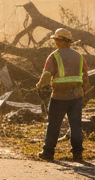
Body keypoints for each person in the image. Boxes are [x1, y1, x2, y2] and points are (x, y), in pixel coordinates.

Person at [37, 28, 91, 162]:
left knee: (53, 125)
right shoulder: (79, 56)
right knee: (76, 125)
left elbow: (46, 75)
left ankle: (48, 152)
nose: (55, 42)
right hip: (77, 95)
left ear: (60, 41)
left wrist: (39, 86)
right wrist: (84, 92)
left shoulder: (54, 56)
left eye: (56, 40)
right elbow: (85, 76)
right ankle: (78, 154)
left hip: (59, 96)